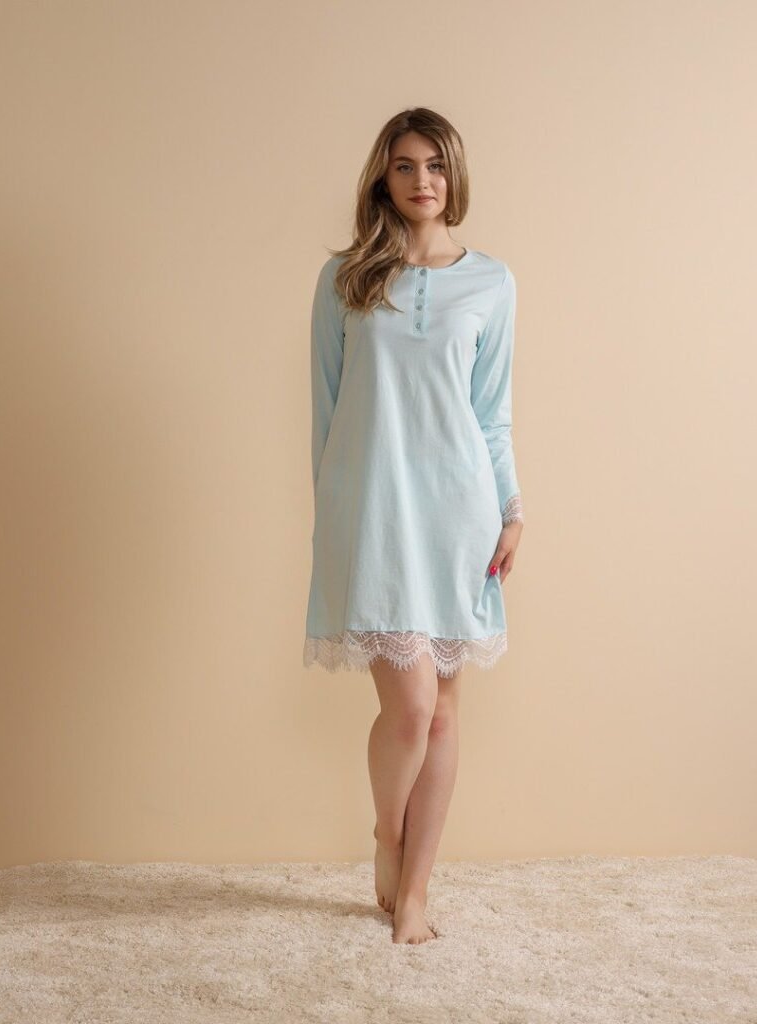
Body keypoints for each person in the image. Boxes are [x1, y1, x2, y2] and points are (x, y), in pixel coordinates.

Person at [303, 107, 524, 944]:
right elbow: (325, 411)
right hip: (373, 512)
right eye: (404, 165)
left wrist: (512, 509)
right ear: (383, 177)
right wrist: (331, 520)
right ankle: (388, 837)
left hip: (460, 512)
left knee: (442, 715)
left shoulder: (492, 284)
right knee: (410, 708)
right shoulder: (345, 279)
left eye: (434, 164)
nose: (421, 179)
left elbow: (492, 415)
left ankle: (418, 892)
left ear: (453, 174)